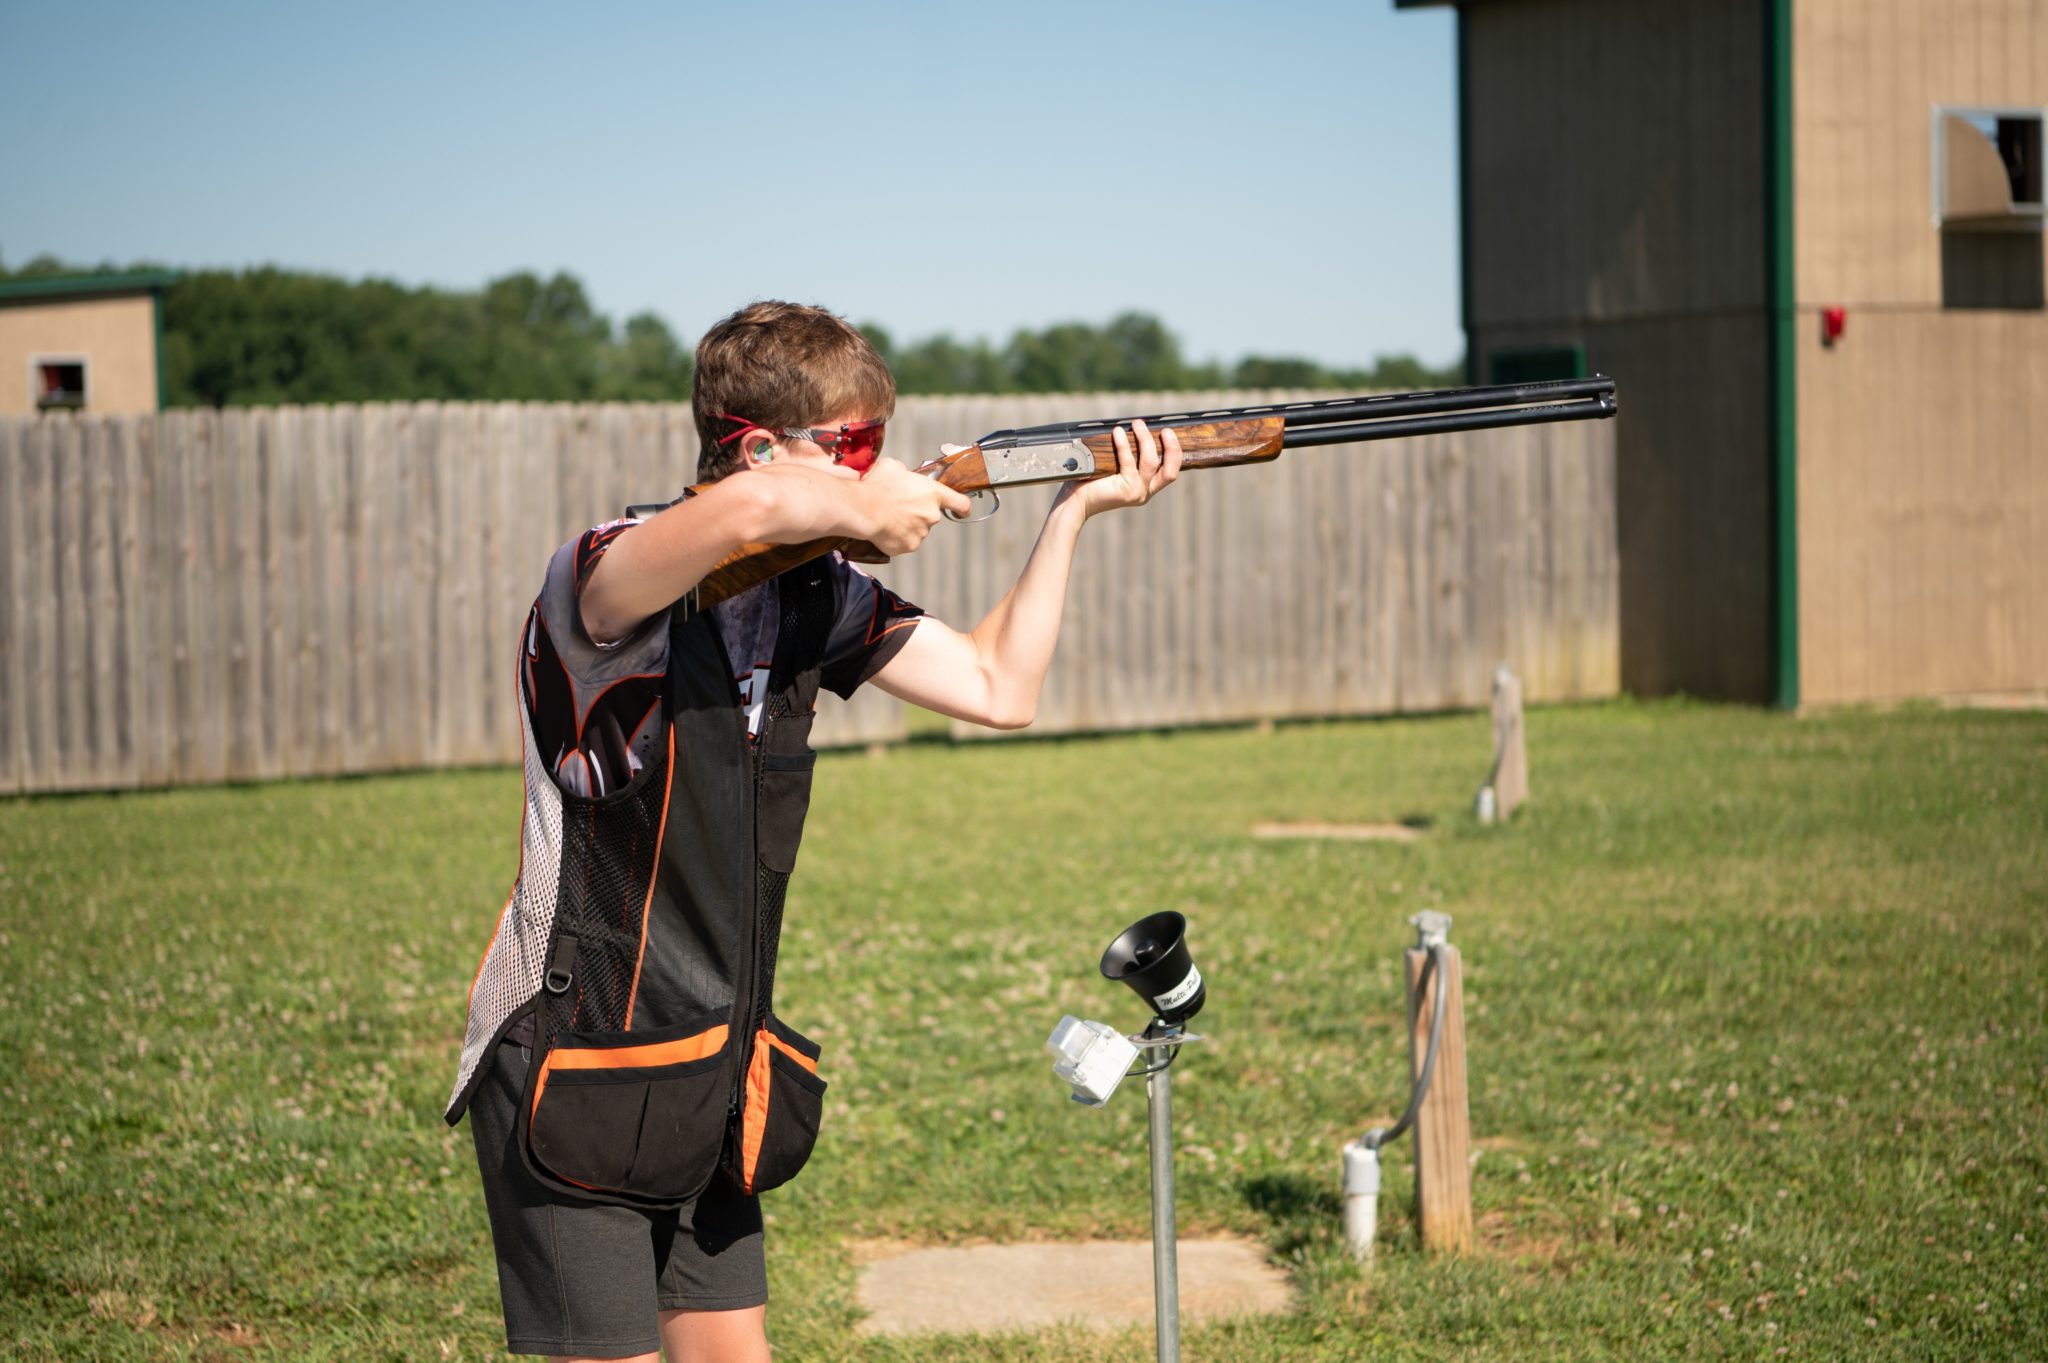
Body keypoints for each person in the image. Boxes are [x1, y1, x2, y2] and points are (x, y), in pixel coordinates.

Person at [444, 300, 1180, 1363]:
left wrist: (1070, 510)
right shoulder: (608, 578)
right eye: (852, 446)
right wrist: (853, 501)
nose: (875, 468)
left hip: (710, 1074)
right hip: (576, 1068)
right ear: (754, 447)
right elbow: (740, 520)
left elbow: (997, 683)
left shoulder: (806, 597)